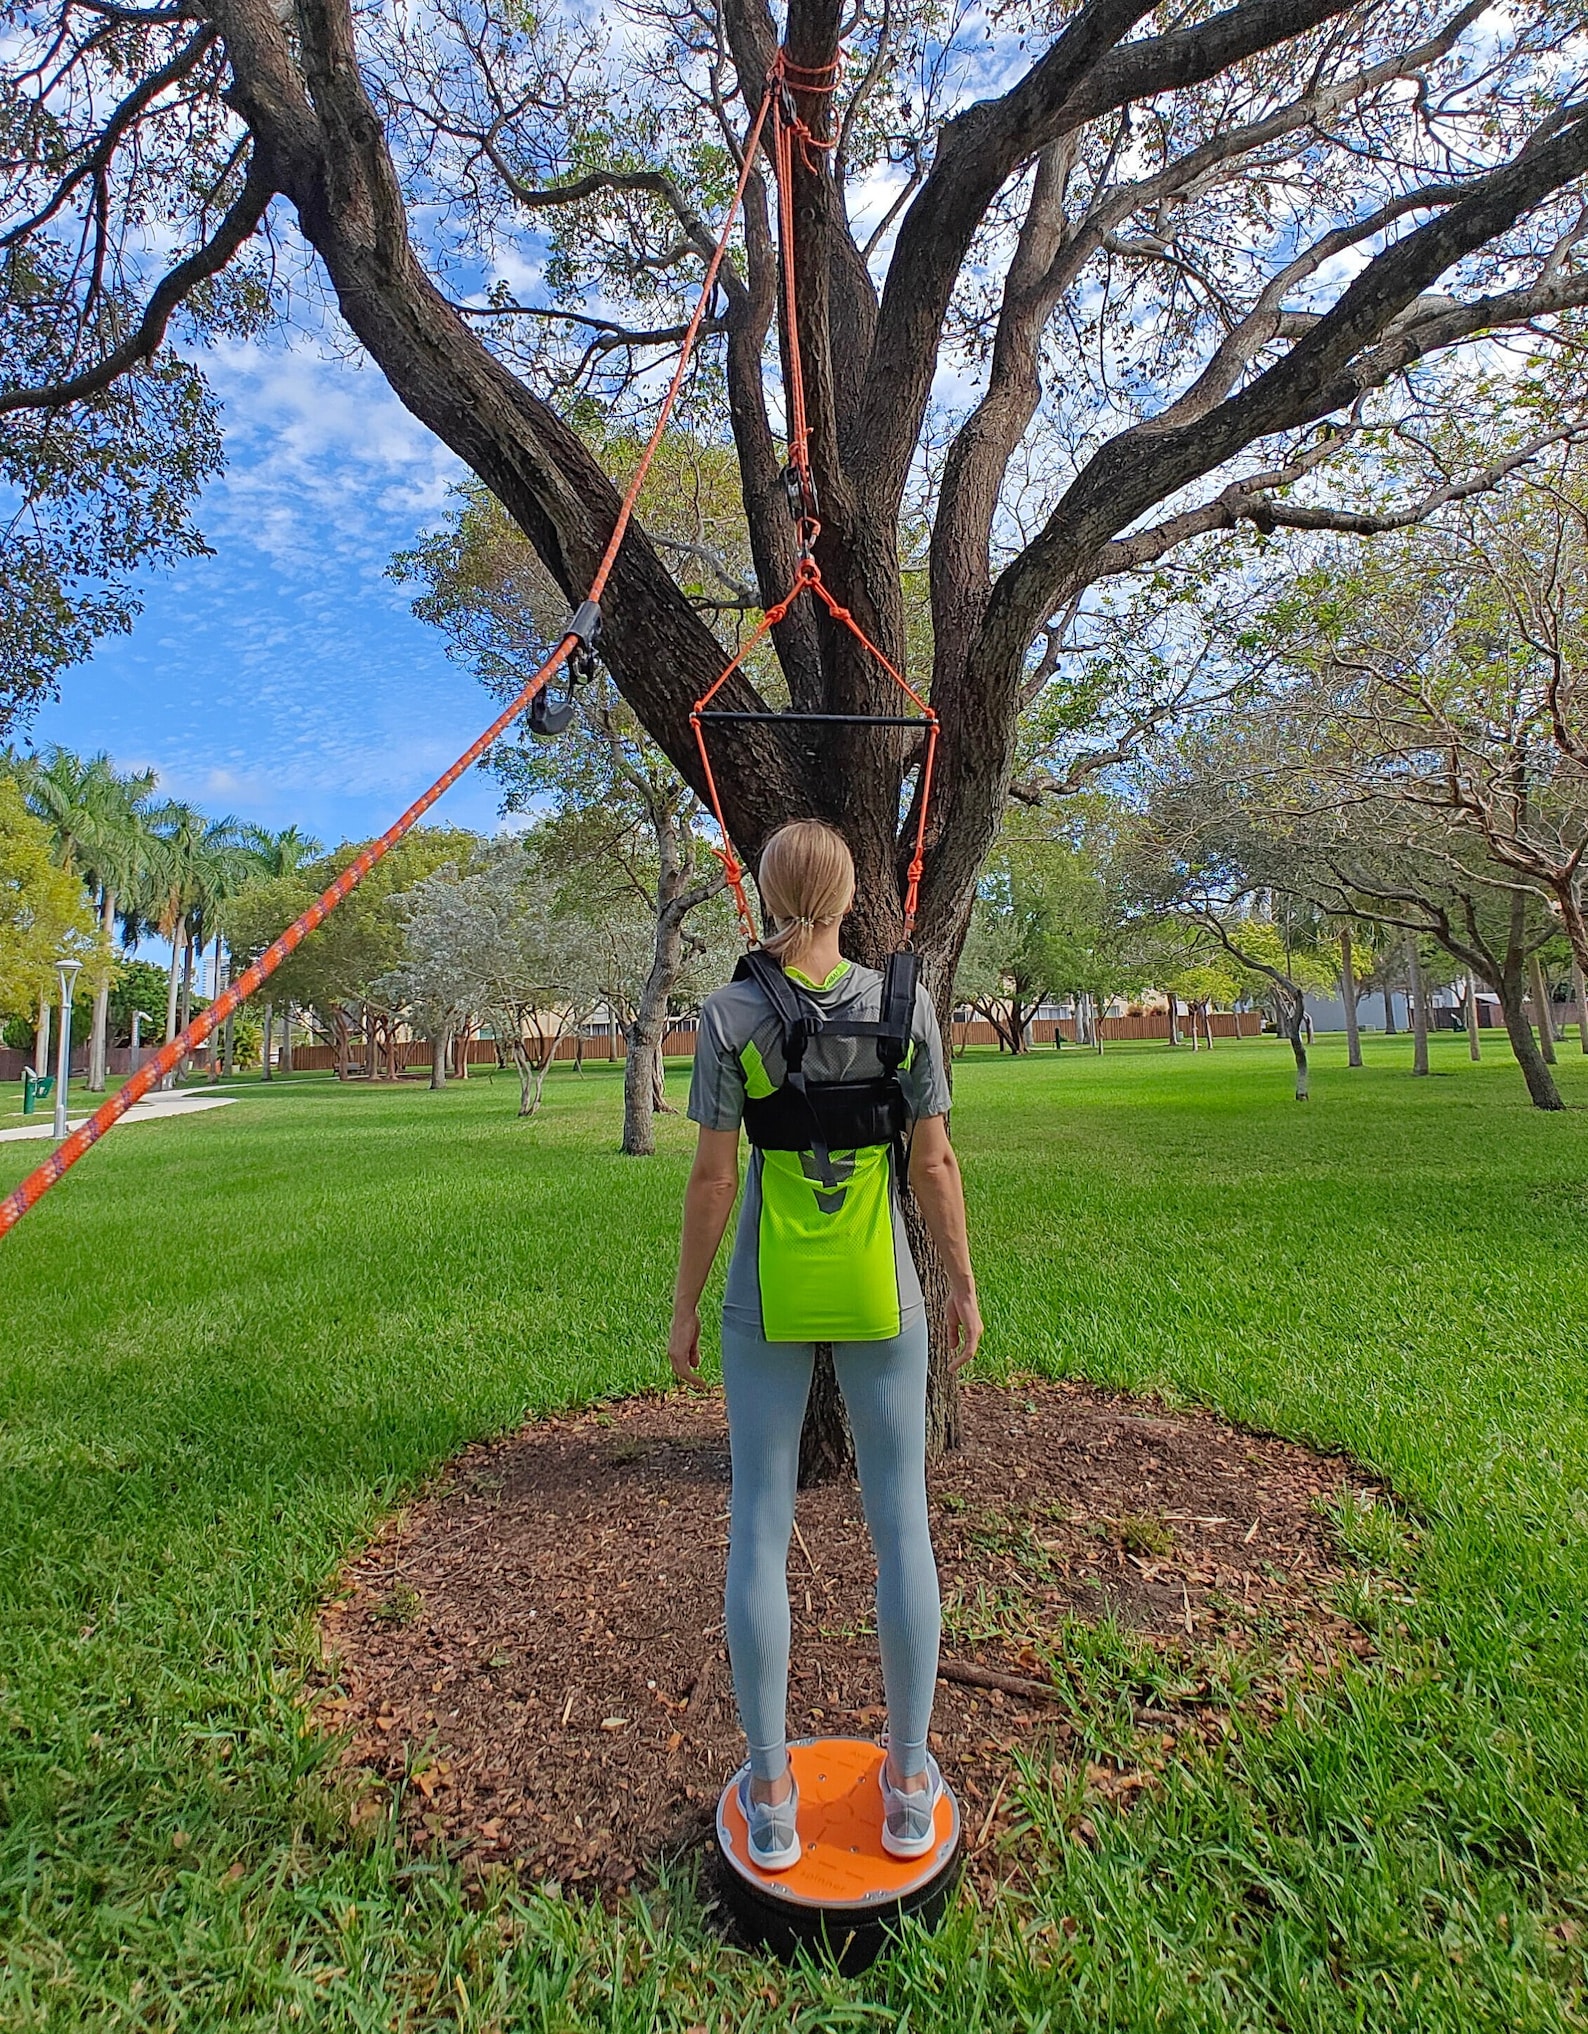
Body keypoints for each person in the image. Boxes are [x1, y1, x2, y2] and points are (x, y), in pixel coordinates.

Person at [668, 819, 982, 1872]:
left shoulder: (728, 1013)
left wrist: (681, 1310)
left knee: (757, 1522)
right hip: (878, 1286)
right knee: (902, 1526)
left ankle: (769, 1791)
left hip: (768, 1285)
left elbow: (715, 1181)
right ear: (849, 900)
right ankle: (905, 1783)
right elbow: (933, 1167)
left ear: (763, 897)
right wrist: (965, 1289)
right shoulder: (906, 1007)